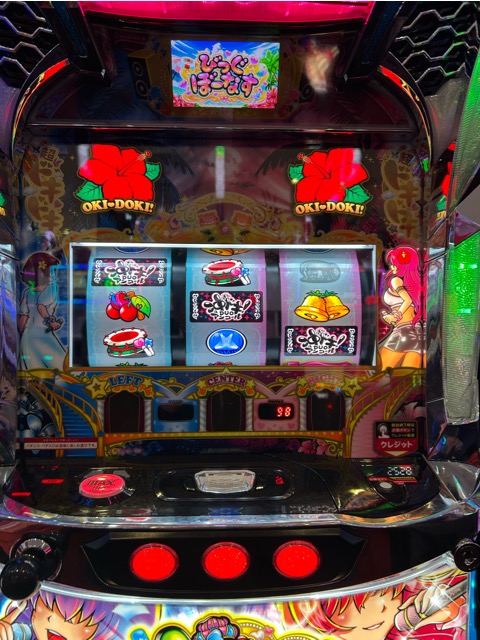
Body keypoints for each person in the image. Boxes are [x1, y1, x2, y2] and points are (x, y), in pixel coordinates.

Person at [18, 252, 66, 370]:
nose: (54, 274)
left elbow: (23, 317)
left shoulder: (28, 292)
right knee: (60, 366)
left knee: (31, 368)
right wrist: (51, 322)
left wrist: (21, 335)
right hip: (43, 334)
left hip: (28, 336)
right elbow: (41, 307)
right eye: (53, 270)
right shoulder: (51, 288)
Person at [379, 247, 424, 369]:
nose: (392, 267)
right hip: (418, 331)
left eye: (394, 264)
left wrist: (395, 316)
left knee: (380, 373)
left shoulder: (396, 280)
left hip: (404, 331)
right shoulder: (413, 281)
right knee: (408, 376)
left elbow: (407, 300)